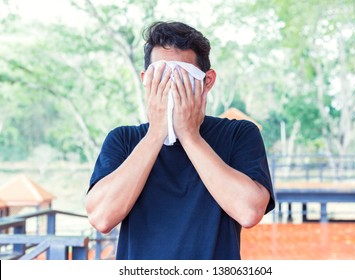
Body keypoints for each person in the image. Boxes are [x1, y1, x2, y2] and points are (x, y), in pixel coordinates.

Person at [86, 21, 275, 260]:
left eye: (183, 79)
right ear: (146, 80)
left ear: (207, 81)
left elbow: (249, 213)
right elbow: (101, 218)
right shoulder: (124, 139)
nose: (172, 87)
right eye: (162, 78)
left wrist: (190, 136)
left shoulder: (238, 134)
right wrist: (156, 134)